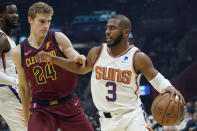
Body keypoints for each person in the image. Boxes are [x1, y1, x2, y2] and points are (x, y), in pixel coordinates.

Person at [37, 14, 185, 131]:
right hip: (106, 120)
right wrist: (52, 59)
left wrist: (168, 87)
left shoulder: (138, 57)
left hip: (132, 117)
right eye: (107, 27)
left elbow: (156, 79)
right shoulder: (96, 52)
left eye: (112, 28)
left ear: (126, 32)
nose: (107, 31)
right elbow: (79, 68)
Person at [12, 2, 93, 131]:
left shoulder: (58, 38)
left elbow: (73, 54)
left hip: (67, 103)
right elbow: (23, 87)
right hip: (41, 108)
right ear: (30, 20)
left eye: (49, 21)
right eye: (42, 21)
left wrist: (79, 57)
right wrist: (27, 116)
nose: (46, 26)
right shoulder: (18, 52)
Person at [0, 2, 27, 131]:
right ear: (1, 16)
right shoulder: (1, 38)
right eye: (10, 13)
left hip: (12, 90)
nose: (15, 15)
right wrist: (16, 81)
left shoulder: (9, 38)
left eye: (16, 12)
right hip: (7, 90)